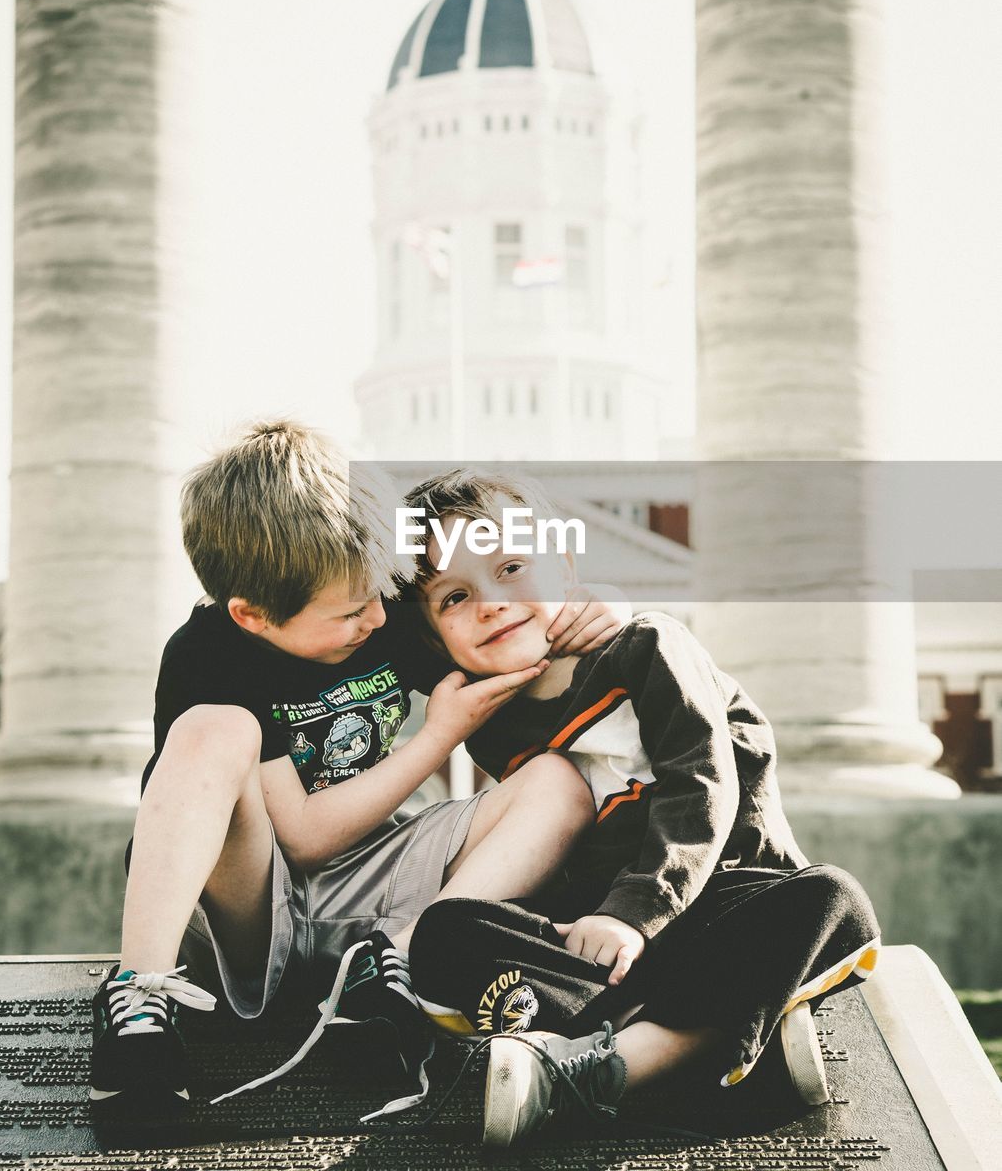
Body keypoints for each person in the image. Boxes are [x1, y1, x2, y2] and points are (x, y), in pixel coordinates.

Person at [89, 422, 626, 1117]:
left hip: (371, 880)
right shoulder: (207, 653)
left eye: (381, 593)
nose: (377, 617)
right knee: (213, 730)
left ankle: (398, 963)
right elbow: (305, 837)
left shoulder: (383, 611)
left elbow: (516, 649)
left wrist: (602, 611)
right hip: (246, 900)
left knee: (557, 780)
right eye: (348, 612)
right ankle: (141, 994)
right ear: (251, 616)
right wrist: (436, 739)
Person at [401, 469, 882, 1147]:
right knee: (447, 931)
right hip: (602, 953)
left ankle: (603, 1070)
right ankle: (717, 1045)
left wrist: (633, 915)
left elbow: (702, 789)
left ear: (564, 567)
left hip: (720, 903)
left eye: (511, 567)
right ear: (432, 637)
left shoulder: (647, 646)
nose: (489, 603)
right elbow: (363, 639)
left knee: (834, 898)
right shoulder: (488, 710)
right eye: (454, 596)